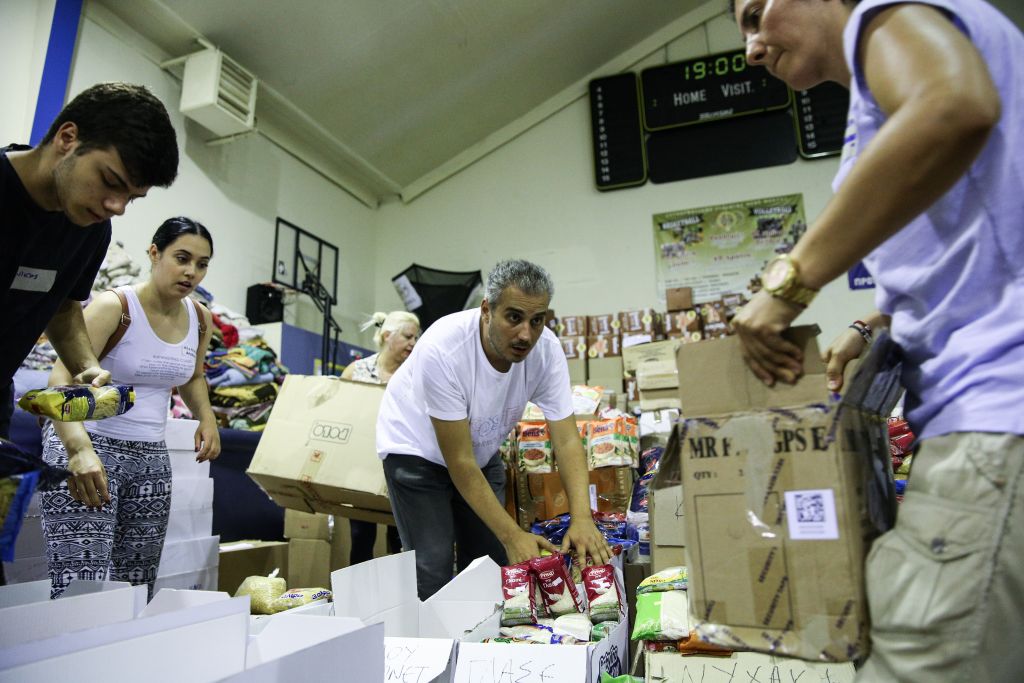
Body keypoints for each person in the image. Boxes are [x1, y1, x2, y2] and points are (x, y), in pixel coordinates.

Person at [728, 0, 1023, 679]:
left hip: (995, 414)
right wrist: (873, 325)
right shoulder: (876, 89)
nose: (751, 48)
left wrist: (787, 285)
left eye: (753, 15)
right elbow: (976, 229)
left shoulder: (882, 14)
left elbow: (950, 106)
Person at [376, 259, 611, 600]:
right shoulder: (444, 348)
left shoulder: (545, 352)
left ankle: (482, 649)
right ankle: (427, 650)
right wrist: (513, 534)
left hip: (480, 452)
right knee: (432, 567)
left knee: (489, 565)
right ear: (487, 310)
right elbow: (459, 461)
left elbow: (567, 439)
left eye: (537, 320)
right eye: (513, 317)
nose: (526, 334)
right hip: (416, 450)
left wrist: (582, 519)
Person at [40, 217, 219, 599]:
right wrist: (79, 451)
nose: (191, 272)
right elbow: (59, 380)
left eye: (202, 264)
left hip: (151, 456)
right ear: (154, 253)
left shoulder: (200, 318)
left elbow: (192, 375)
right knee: (79, 585)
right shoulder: (115, 306)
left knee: (135, 587)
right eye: (182, 258)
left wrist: (207, 418)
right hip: (90, 446)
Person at [1, 82, 178, 440]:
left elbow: (62, 306)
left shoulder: (90, 231)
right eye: (110, 181)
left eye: (132, 198)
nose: (117, 206)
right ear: (68, 138)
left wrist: (86, 368)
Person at [341, 310, 420, 565]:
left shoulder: (415, 376)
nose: (413, 343)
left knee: (401, 539)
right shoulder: (356, 371)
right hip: (361, 467)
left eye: (416, 338)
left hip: (402, 467)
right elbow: (339, 415)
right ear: (387, 335)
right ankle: (359, 599)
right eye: (408, 336)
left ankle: (401, 598)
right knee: (361, 535)